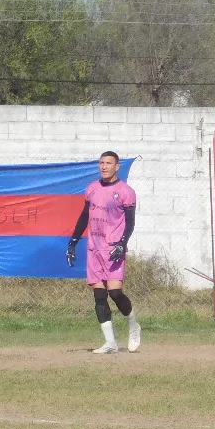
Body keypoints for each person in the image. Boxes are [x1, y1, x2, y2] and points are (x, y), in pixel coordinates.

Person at [67, 151, 141, 354]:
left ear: (117, 167)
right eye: (101, 162)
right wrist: (73, 242)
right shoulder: (92, 188)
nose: (104, 166)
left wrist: (122, 243)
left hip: (113, 248)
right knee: (99, 296)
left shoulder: (126, 191)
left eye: (108, 163)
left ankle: (133, 325)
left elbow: (130, 222)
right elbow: (84, 216)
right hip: (94, 248)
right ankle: (110, 343)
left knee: (115, 293)